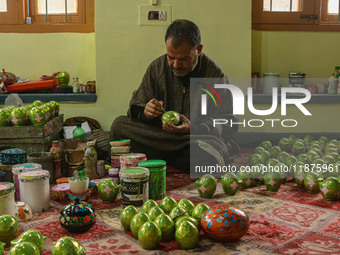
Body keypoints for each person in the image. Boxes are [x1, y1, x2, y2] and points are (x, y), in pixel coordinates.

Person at [110, 19, 239, 173]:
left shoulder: (214, 74)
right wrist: (147, 113)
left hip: (193, 139)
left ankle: (154, 156)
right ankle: (175, 158)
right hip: (160, 135)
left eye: (184, 59)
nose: (176, 65)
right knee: (119, 125)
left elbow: (229, 123)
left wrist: (193, 128)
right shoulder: (157, 68)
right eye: (171, 57)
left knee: (211, 154)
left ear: (198, 49)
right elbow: (135, 109)